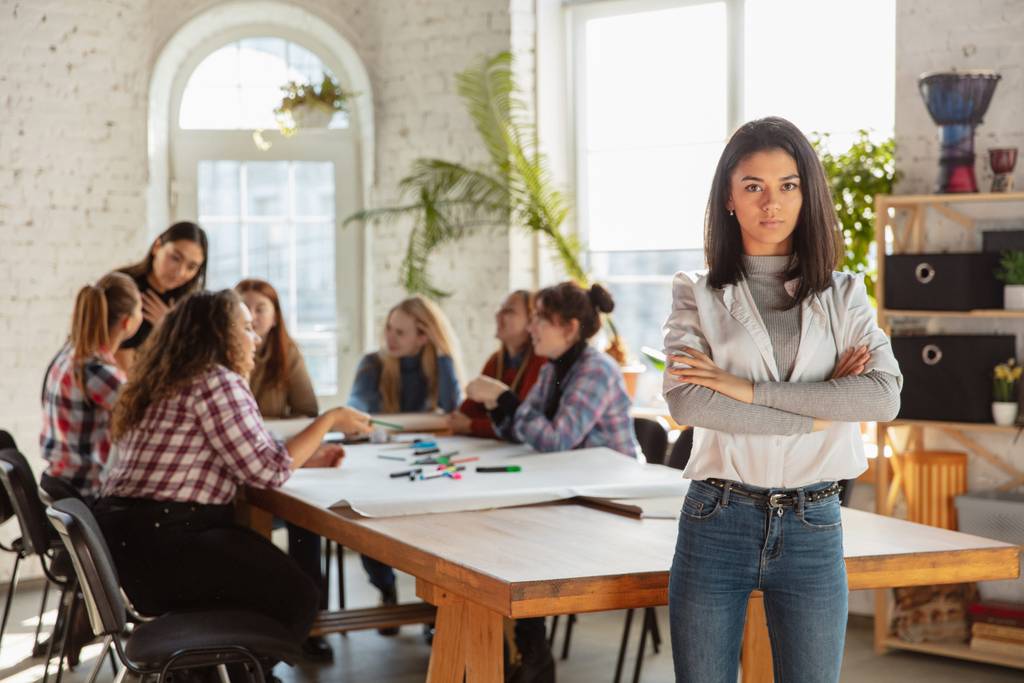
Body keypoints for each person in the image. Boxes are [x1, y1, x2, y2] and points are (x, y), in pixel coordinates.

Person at [661, 117, 902, 683]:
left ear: (807, 193)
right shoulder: (694, 292)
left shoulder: (844, 294)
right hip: (715, 519)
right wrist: (821, 413)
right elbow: (690, 406)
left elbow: (884, 396)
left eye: (788, 185)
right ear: (729, 196)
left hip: (814, 523)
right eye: (754, 186)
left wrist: (745, 390)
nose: (772, 203)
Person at [95, 289, 371, 676]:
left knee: (257, 579)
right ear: (218, 334)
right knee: (299, 595)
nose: (255, 336)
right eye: (244, 327)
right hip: (169, 543)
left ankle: (217, 672)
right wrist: (329, 421)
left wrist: (305, 454)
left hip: (129, 549)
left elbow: (236, 454)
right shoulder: (216, 381)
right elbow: (268, 470)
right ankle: (243, 673)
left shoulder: (160, 380)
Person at [465, 281, 637, 683]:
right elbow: (523, 432)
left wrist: (506, 399)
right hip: (572, 490)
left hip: (610, 501)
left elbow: (556, 440)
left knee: (517, 536)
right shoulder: (553, 366)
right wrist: (499, 404)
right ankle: (518, 646)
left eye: (542, 319)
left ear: (570, 328)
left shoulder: (596, 371)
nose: (532, 328)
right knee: (501, 531)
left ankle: (529, 650)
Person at [347, 295, 462, 627]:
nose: (390, 338)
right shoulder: (373, 364)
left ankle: (435, 613)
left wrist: (443, 353)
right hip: (378, 466)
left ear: (423, 337)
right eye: (389, 329)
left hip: (425, 466)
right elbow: (357, 408)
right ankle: (386, 590)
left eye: (400, 332)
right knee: (369, 527)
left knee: (442, 527)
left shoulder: (435, 365)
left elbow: (452, 405)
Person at [236, 277, 331, 661]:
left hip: (274, 458)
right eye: (247, 310)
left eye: (262, 309)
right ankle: (262, 631)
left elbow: (308, 411)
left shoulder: (286, 353)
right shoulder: (228, 359)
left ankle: (310, 627)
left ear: (275, 317)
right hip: (251, 472)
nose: (255, 318)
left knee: (305, 522)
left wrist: (271, 432)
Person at [40, 272, 142, 504]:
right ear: (128, 322)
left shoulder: (68, 354)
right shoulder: (97, 370)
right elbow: (147, 419)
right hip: (85, 490)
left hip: (62, 481)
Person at [449, 290, 545, 438]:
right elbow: (467, 411)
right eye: (500, 309)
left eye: (509, 311)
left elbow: (523, 421)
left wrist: (471, 426)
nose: (498, 315)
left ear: (531, 320)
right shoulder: (496, 360)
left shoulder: (540, 361)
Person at [116, 221, 208, 371]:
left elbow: (197, 359)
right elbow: (120, 356)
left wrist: (169, 325)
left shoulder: (190, 301)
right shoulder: (124, 286)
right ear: (157, 247)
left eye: (191, 267)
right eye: (175, 258)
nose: (180, 272)